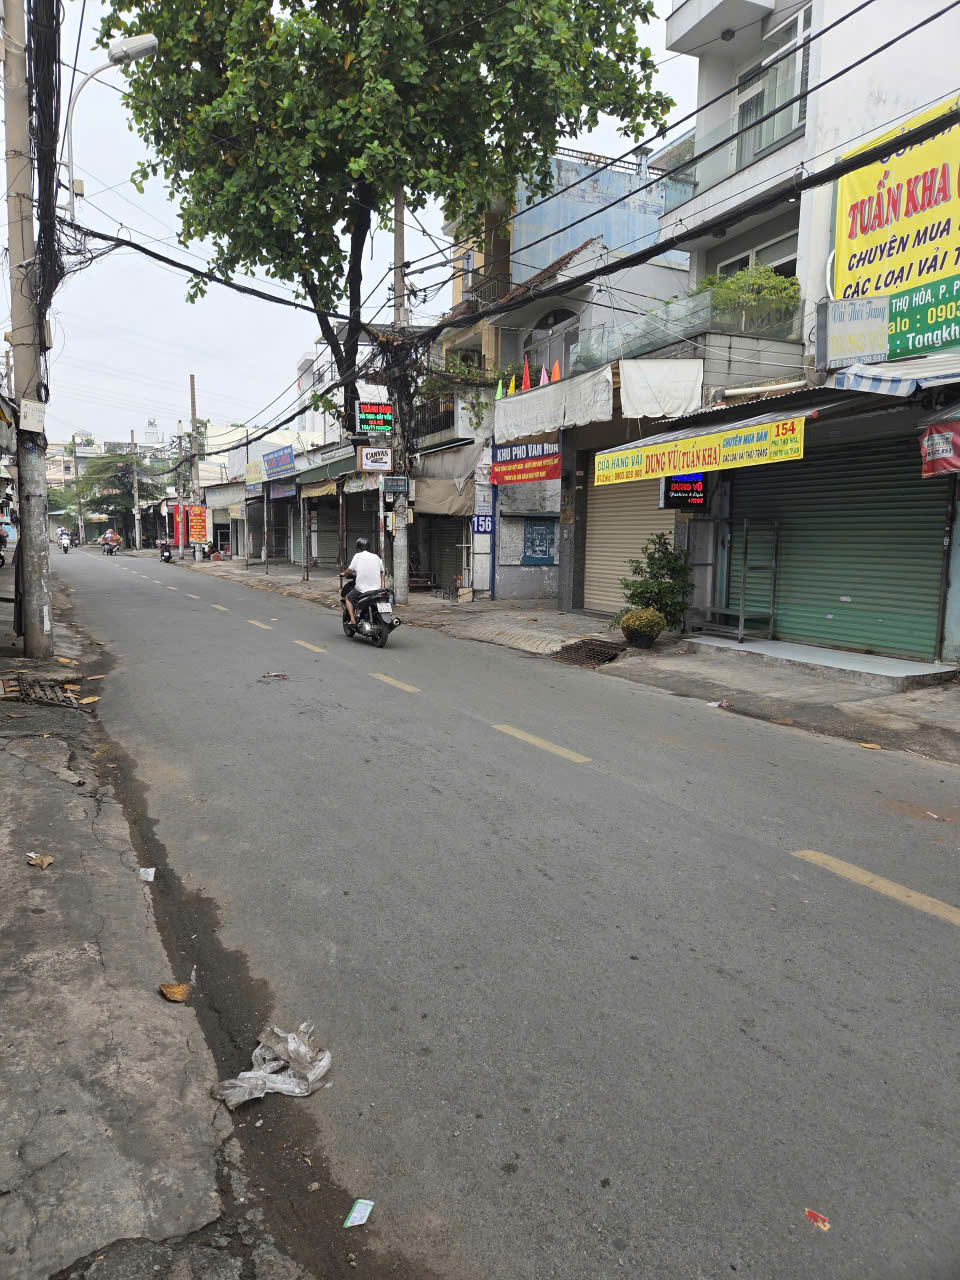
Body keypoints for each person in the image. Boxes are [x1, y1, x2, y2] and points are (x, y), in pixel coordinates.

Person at [343, 537, 385, 626]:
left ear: (358, 547)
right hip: (376, 589)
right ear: (369, 547)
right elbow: (382, 571)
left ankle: (352, 620)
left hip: (362, 589)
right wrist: (381, 586)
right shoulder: (376, 557)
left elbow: (349, 570)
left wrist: (344, 574)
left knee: (348, 598)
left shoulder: (357, 556)